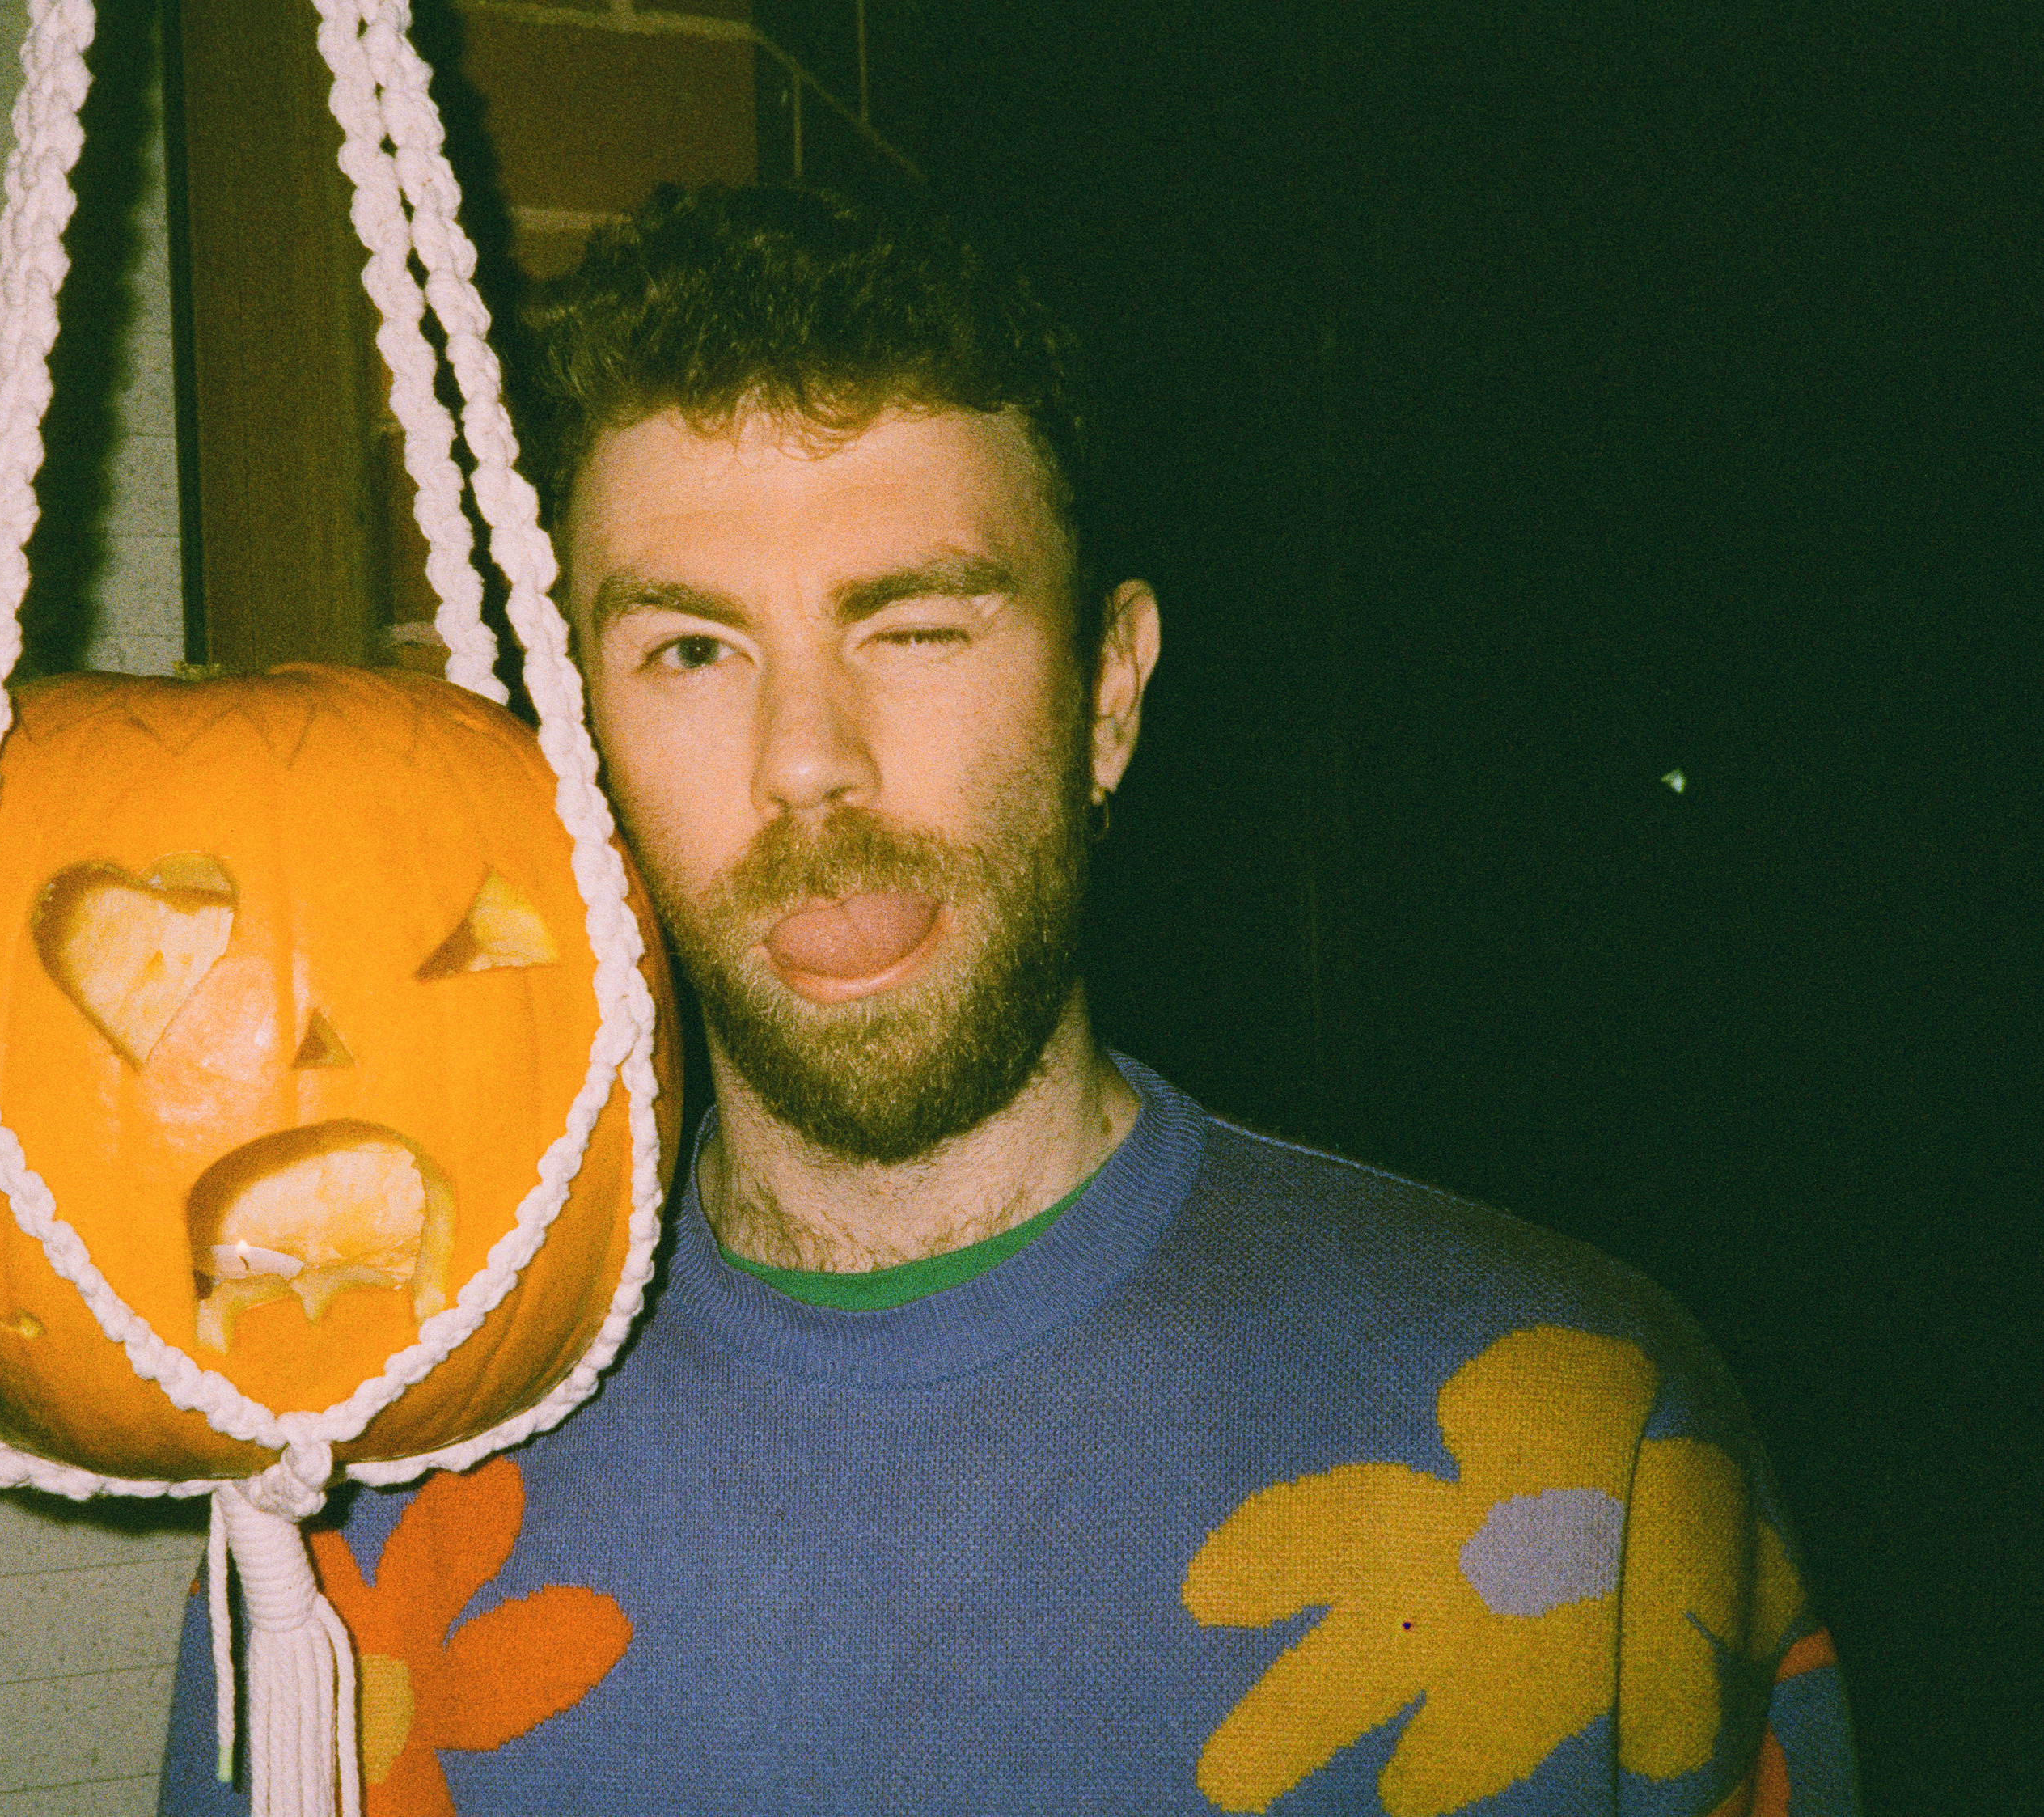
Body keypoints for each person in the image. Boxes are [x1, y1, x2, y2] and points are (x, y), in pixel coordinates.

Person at [163, 187, 1857, 1816]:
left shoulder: (1584, 1441)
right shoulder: (368, 1489)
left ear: (1105, 696)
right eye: (689, 649)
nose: (806, 764)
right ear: (586, 745)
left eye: (913, 628)